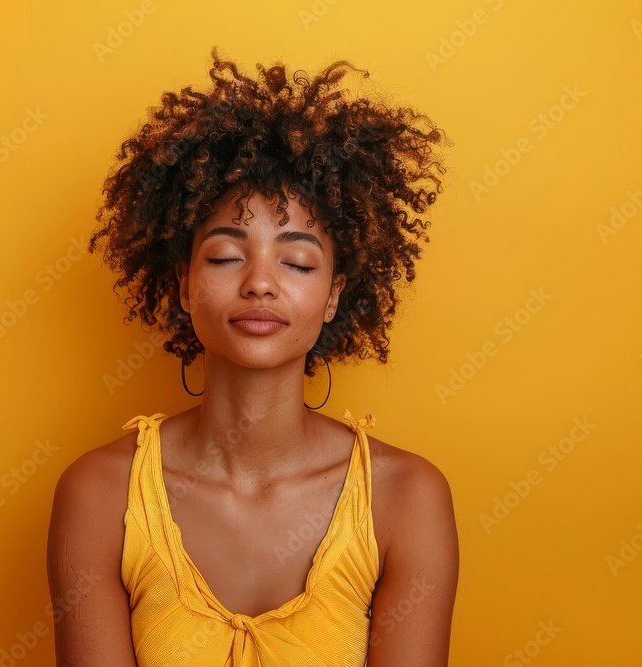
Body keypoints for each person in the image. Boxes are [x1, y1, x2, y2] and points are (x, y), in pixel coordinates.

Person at [47, 46, 459, 666]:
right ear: (184, 284)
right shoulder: (100, 495)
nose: (260, 283)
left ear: (332, 297)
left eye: (296, 261)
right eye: (223, 255)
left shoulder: (406, 498)